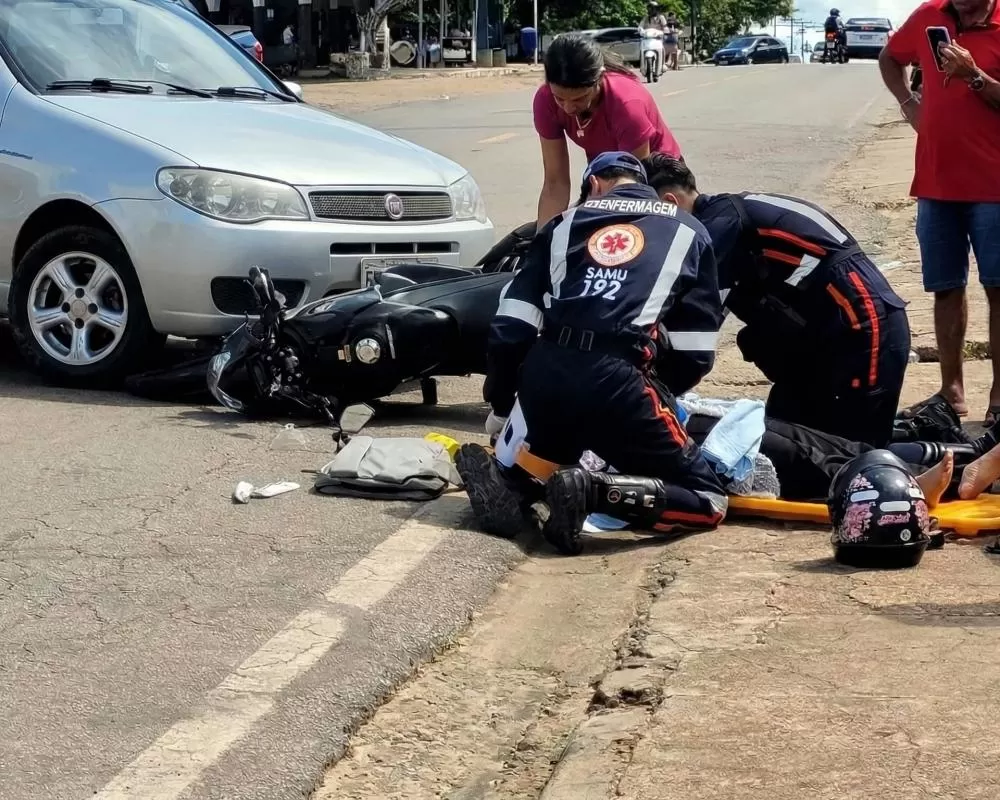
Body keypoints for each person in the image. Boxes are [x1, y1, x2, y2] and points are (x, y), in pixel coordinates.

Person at [456, 151, 727, 554]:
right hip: (619, 378)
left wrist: (502, 403)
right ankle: (595, 493)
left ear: (595, 185)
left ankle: (511, 483)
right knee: (709, 499)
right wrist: (659, 395)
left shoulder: (563, 224)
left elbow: (511, 327)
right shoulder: (689, 231)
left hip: (546, 373)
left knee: (553, 456)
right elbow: (694, 350)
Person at [640, 153, 912, 449]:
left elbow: (689, 326)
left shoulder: (719, 228)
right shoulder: (724, 218)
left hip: (862, 325)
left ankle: (950, 463)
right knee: (788, 441)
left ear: (668, 205)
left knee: (856, 454)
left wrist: (643, 396)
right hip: (828, 336)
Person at [878, 0, 1000, 428]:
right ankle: (952, 392)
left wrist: (974, 76)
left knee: (998, 288)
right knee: (945, 288)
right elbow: (890, 58)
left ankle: (999, 400)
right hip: (936, 183)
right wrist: (908, 103)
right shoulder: (930, 14)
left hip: (994, 188)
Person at [532, 33, 683, 229]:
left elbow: (634, 189)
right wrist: (543, 242)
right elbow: (555, 183)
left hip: (655, 179)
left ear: (599, 78)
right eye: (559, 98)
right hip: (606, 176)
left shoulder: (626, 104)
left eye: (579, 98)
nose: (568, 108)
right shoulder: (545, 100)